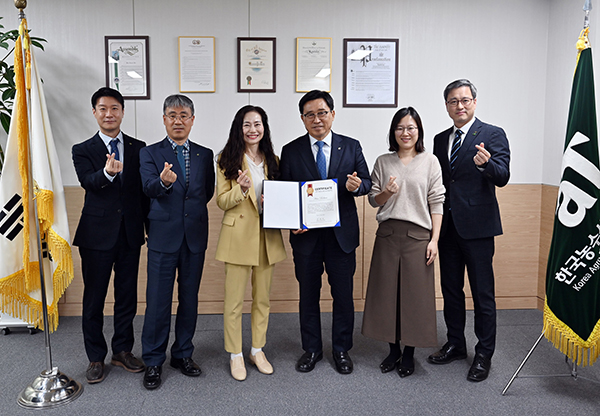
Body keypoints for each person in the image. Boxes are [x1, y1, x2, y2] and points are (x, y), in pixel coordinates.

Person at [279, 90, 371, 374]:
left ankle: (341, 349)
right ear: (302, 119)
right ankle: (312, 349)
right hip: (306, 237)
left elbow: (367, 182)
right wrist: (290, 219)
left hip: (341, 238)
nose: (316, 119)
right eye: (310, 114)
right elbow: (286, 192)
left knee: (343, 295)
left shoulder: (351, 146)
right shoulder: (291, 150)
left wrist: (358, 187)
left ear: (332, 114)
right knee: (308, 294)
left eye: (322, 112)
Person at [428, 79, 510, 382]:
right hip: (446, 228)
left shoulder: (492, 134)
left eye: (464, 100)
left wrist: (485, 165)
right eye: (452, 101)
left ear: (474, 102)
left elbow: (502, 176)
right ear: (447, 105)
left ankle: (484, 354)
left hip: (477, 228)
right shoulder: (439, 139)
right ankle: (455, 344)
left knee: (482, 294)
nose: (459, 106)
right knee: (451, 291)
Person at [72, 87, 148, 384]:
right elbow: (88, 182)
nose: (109, 114)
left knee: (127, 296)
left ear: (122, 112)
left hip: (130, 234)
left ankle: (122, 350)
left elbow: (143, 195)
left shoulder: (139, 147)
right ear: (94, 112)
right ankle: (95, 356)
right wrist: (107, 174)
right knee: (94, 298)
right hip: (96, 236)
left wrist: (147, 230)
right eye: (103, 108)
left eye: (114, 108)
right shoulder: (83, 149)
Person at [362, 107, 444, 378]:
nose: (405, 133)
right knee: (386, 296)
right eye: (400, 128)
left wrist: (435, 240)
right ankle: (392, 350)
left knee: (414, 298)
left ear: (418, 131)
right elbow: (374, 199)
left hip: (419, 237)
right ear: (393, 132)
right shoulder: (383, 161)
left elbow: (437, 202)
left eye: (411, 128)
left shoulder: (430, 161)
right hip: (388, 235)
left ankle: (408, 353)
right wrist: (387, 192)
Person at [139, 94, 215, 390]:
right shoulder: (150, 153)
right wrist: (164, 183)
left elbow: (205, 192)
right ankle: (154, 360)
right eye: (172, 115)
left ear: (192, 120)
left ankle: (182, 354)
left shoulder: (204, 154)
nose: (178, 120)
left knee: (189, 299)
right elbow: (147, 188)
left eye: (184, 115)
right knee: (158, 302)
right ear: (164, 119)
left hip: (194, 236)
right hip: (162, 236)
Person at [215, 105, 287, 381]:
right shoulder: (226, 159)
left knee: (262, 299)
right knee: (234, 302)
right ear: (239, 128)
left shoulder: (274, 159)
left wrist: (275, 202)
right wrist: (241, 189)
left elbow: (281, 197)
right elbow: (222, 201)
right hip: (237, 236)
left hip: (266, 236)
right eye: (247, 124)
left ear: (264, 128)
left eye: (258, 124)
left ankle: (257, 349)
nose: (253, 129)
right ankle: (235, 354)